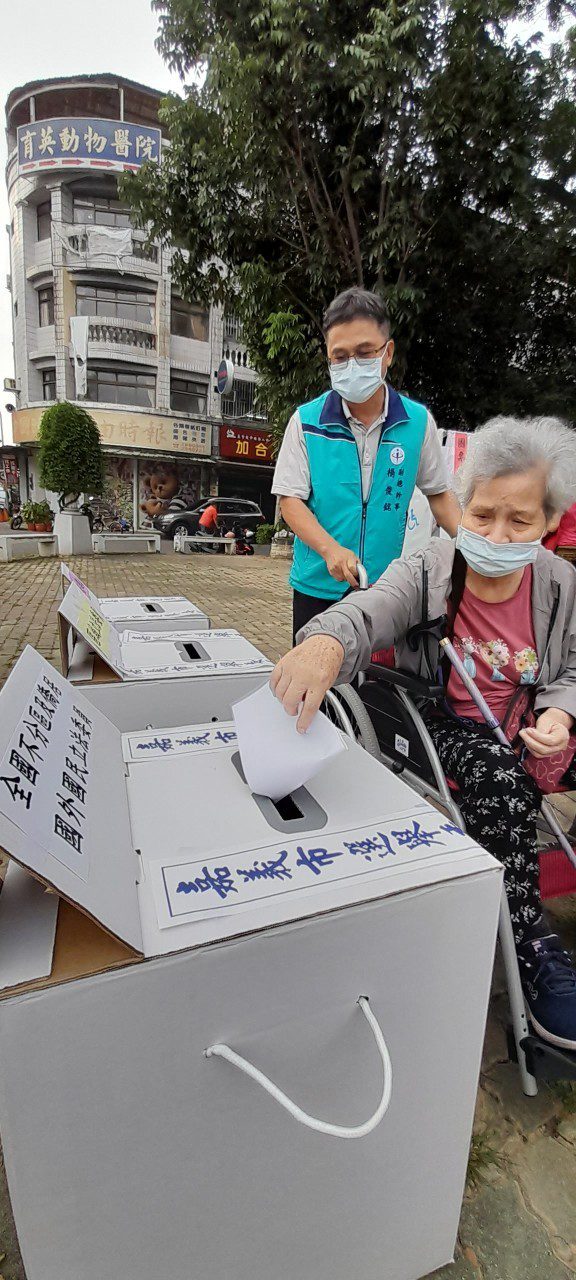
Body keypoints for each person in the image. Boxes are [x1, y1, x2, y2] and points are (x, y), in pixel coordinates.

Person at [272, 416, 576, 1050]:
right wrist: (325, 644)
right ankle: (529, 944)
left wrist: (559, 713)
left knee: (530, 755)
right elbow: (368, 610)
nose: (495, 534)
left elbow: (570, 665)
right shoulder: (433, 569)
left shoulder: (558, 582)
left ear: (550, 520)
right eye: (481, 513)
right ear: (461, 505)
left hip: (531, 725)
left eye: (518, 521)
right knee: (496, 778)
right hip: (452, 726)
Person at [272, 287, 461, 640]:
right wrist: (330, 550)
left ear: (387, 353)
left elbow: (439, 495)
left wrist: (470, 546)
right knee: (321, 688)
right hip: (317, 587)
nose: (351, 365)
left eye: (364, 352)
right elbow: (290, 502)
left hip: (382, 587)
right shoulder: (307, 421)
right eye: (339, 357)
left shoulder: (417, 424)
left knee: (375, 686)